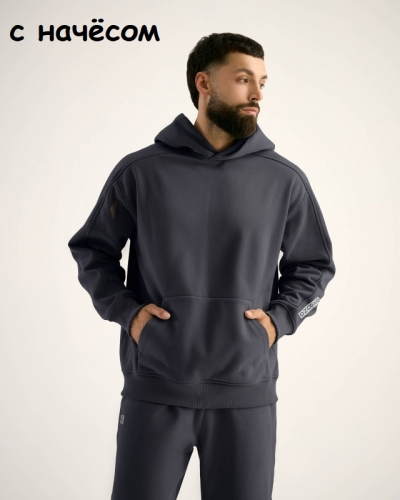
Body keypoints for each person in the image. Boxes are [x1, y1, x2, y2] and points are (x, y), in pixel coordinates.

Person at [68, 32, 336, 500]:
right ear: (204, 83)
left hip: (246, 395)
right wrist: (130, 314)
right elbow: (92, 251)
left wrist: (277, 322)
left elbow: (315, 265)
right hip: (154, 389)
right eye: (243, 79)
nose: (257, 94)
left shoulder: (284, 180)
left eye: (262, 82)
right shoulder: (141, 171)